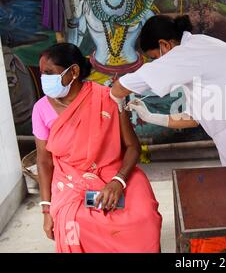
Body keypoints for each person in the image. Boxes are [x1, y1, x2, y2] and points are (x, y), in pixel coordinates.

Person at [110, 15, 226, 252]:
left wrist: (114, 95)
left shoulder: (187, 54)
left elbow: (126, 85)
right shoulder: (197, 52)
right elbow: (192, 119)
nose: (156, 62)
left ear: (164, 45)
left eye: (154, 57)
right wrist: (152, 116)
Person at [32, 43, 162, 253]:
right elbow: (44, 161)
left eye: (49, 73)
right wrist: (47, 210)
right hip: (70, 181)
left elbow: (132, 147)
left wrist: (118, 181)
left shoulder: (107, 98)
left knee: (144, 216)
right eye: (42, 74)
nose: (44, 79)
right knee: (73, 222)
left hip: (115, 171)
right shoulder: (41, 109)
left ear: (73, 71)